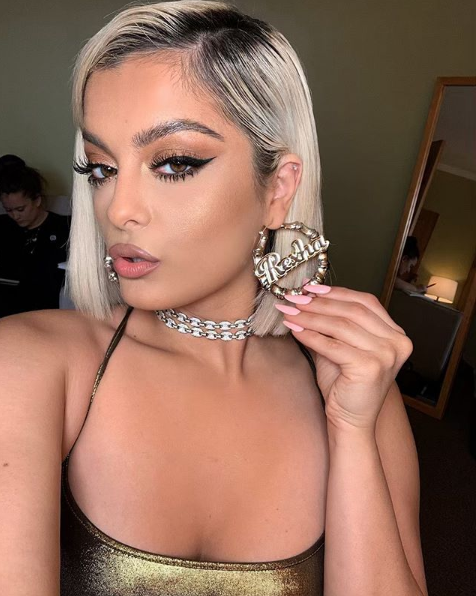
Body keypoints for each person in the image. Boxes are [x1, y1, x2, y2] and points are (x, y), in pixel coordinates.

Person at [0, 2, 428, 595]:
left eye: (174, 163)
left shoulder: (360, 389)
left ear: (277, 189)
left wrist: (351, 432)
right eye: (100, 169)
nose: (119, 208)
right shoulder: (28, 362)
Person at [0, 156, 70, 315]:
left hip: (42, 311)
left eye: (20, 209)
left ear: (37, 200)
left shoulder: (63, 227)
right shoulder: (3, 226)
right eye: (8, 210)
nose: (15, 216)